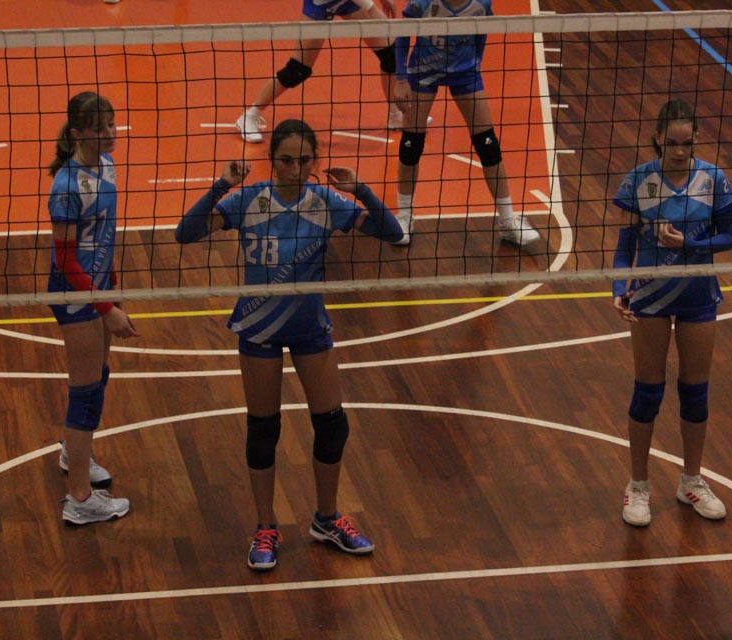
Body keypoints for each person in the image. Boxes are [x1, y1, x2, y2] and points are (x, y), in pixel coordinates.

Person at [175, 118, 403, 571]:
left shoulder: (326, 202)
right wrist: (221, 185)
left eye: (304, 160)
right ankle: (265, 527)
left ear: (314, 161)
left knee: (333, 425)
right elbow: (185, 233)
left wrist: (362, 190)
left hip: (309, 328)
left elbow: (393, 232)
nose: (296, 169)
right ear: (271, 159)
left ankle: (326, 518)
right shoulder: (248, 200)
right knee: (264, 431)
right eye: (286, 160)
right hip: (258, 327)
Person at [611, 98, 732, 527]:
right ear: (658, 139)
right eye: (672, 144)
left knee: (695, 392)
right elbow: (624, 247)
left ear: (696, 138)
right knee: (648, 392)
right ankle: (638, 486)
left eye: (687, 143)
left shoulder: (713, 179)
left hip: (698, 296)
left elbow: (730, 236)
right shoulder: (639, 181)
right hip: (649, 297)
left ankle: (691, 481)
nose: (680, 151)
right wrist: (618, 288)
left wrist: (690, 244)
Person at [47, 91, 139, 525]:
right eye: (100, 128)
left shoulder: (107, 165)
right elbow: (66, 262)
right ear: (78, 132)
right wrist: (106, 308)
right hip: (75, 294)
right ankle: (80, 499)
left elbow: (106, 233)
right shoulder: (66, 187)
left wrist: (113, 285)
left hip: (98, 288)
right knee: (85, 393)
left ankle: (73, 452)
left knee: (98, 377)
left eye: (112, 124)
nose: (110, 133)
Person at [390, 0, 539, 247]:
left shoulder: (481, 4)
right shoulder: (422, 3)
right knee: (410, 145)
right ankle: (404, 217)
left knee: (488, 146)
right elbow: (403, 35)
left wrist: (475, 64)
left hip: (465, 74)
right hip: (423, 73)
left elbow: (482, 32)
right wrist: (401, 79)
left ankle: (507, 220)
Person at [236, 0, 410, 142]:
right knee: (297, 70)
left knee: (391, 55)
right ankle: (250, 116)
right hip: (321, 3)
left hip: (347, 2)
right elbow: (369, 8)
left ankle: (395, 115)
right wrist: (371, 6)